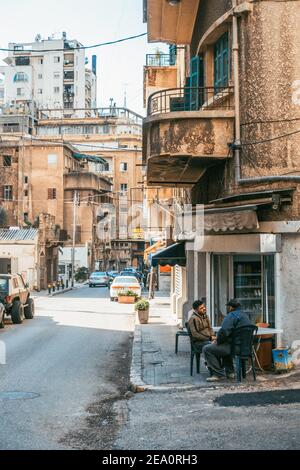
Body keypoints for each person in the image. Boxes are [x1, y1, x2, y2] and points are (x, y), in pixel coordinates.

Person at [202, 299, 252, 382]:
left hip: (234, 348)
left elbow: (224, 332)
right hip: (245, 348)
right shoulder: (245, 316)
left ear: (231, 307)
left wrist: (217, 341)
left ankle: (218, 374)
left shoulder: (231, 316)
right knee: (223, 346)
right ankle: (230, 372)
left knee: (207, 349)